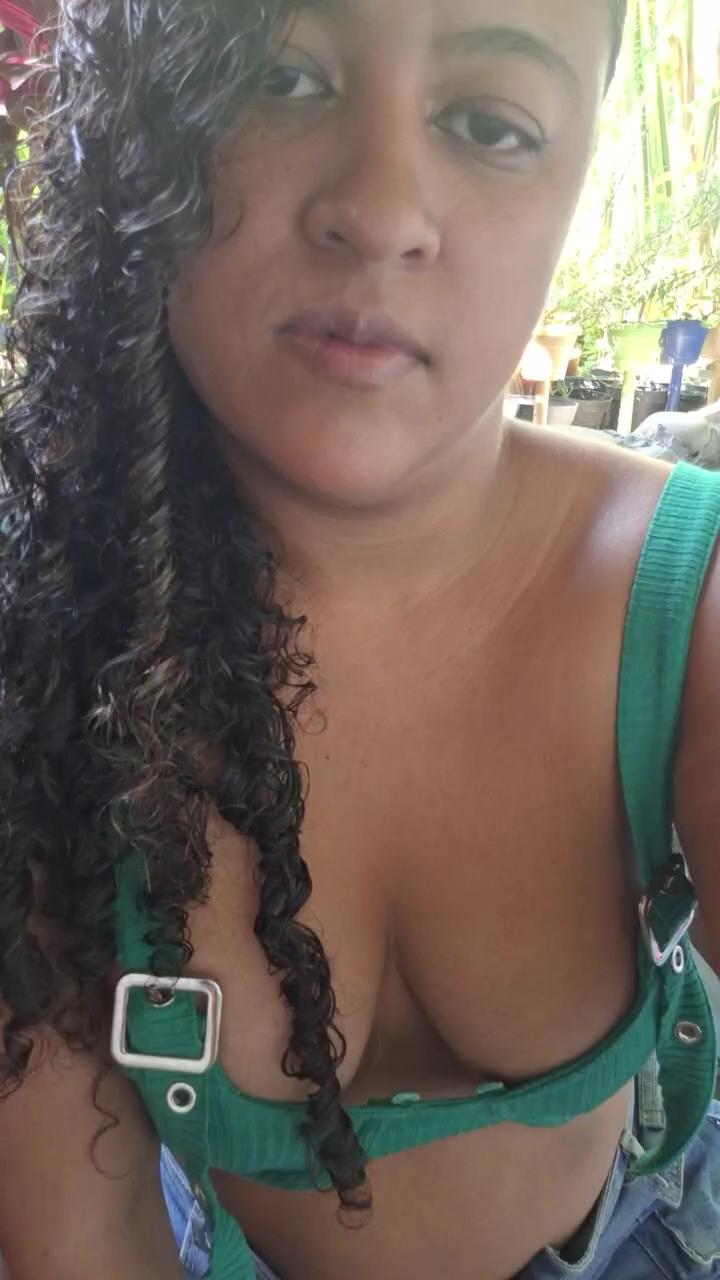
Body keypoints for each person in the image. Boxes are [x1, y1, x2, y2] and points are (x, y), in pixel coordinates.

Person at [0, 0, 718, 1277]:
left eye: (490, 123)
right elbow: (81, 1244)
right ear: (148, 122)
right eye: (283, 77)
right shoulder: (47, 666)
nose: (381, 210)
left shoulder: (683, 593)